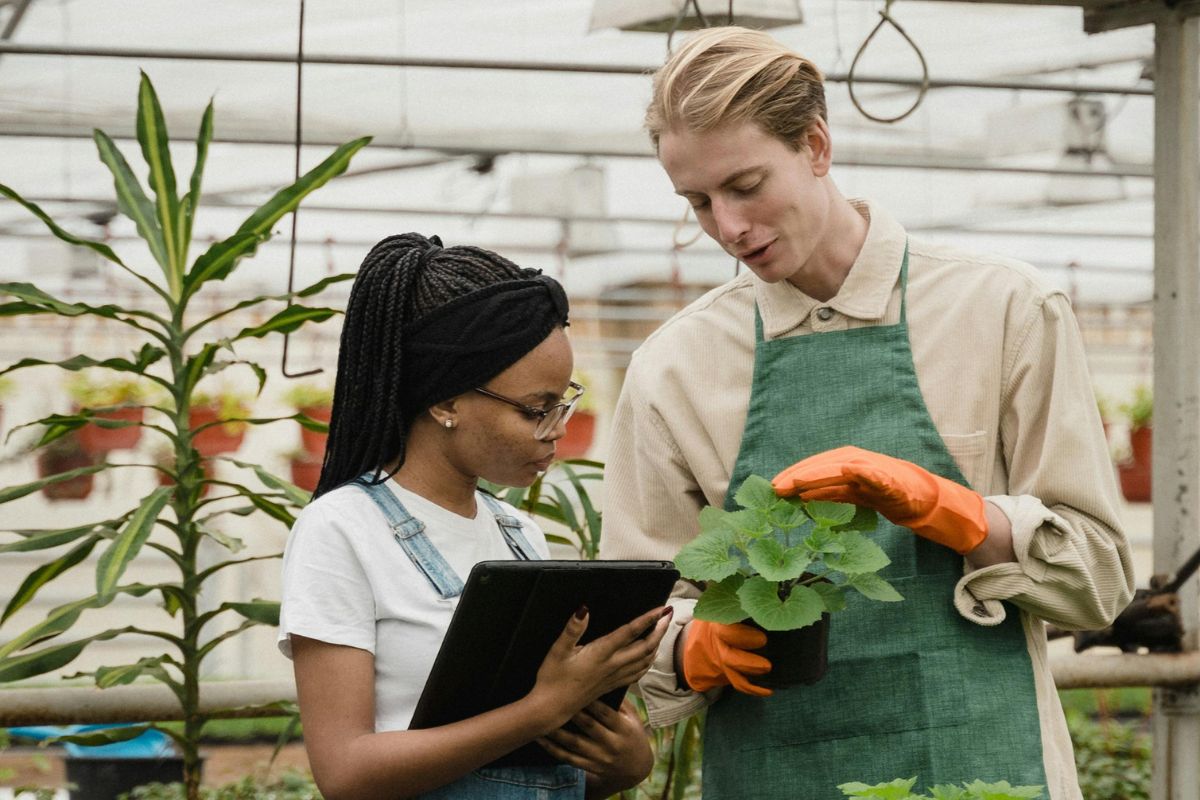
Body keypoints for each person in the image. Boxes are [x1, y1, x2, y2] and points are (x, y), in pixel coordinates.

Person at [599, 27, 1134, 800]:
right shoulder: (675, 369)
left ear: (816, 146)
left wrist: (957, 512)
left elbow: (1101, 579)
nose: (728, 227)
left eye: (746, 185)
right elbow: (633, 628)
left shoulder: (1003, 311)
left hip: (984, 765)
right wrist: (691, 650)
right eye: (698, 201)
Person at [278, 233, 672, 800]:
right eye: (537, 409)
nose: (558, 428)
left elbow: (544, 767)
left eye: (565, 403)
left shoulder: (519, 537)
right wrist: (541, 710)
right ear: (445, 402)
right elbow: (346, 773)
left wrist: (625, 759)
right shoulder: (342, 529)